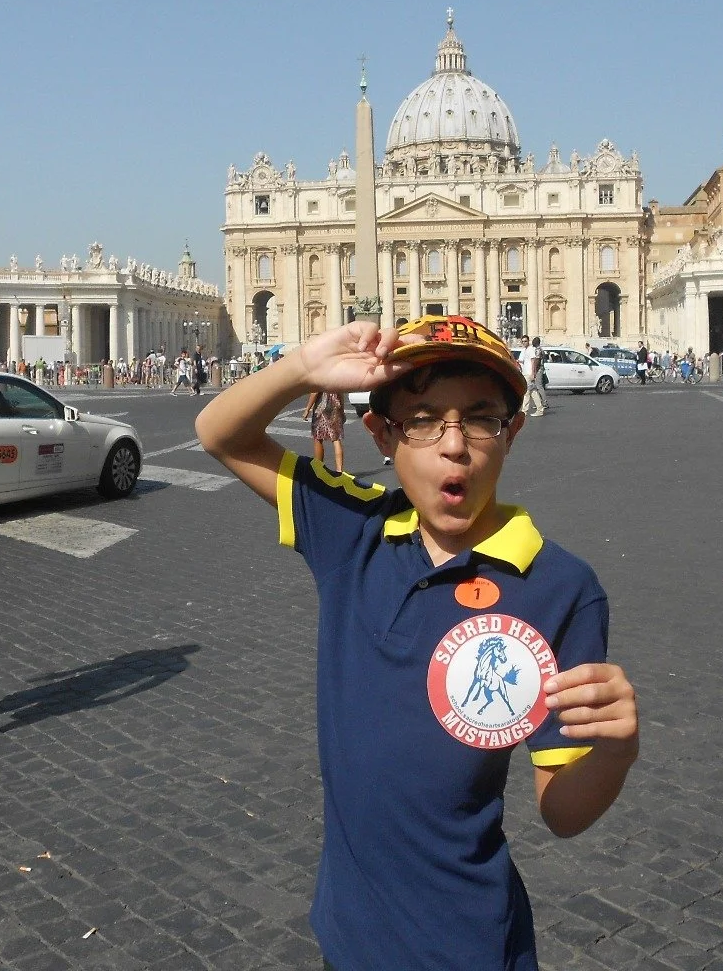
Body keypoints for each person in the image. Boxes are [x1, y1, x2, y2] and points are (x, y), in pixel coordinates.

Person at [195, 315, 638, 971]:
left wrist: (615, 752)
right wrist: (302, 366)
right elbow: (219, 434)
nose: (452, 446)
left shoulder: (560, 588)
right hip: (346, 933)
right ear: (381, 434)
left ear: (512, 432)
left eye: (480, 418)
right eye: (424, 419)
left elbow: (563, 811)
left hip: (468, 944)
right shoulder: (352, 531)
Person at [303, 388, 348, 473]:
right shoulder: (336, 376)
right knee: (336, 438)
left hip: (322, 408)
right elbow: (341, 394)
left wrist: (307, 409)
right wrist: (342, 410)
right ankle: (339, 470)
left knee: (318, 437)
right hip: (335, 406)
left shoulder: (320, 375)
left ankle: (319, 467)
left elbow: (315, 392)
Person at [520, 336, 547, 418]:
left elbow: (533, 362)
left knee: (527, 392)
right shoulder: (524, 350)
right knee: (533, 392)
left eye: (525, 341)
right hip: (525, 373)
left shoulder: (531, 349)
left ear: (528, 341)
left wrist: (533, 373)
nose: (524, 342)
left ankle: (524, 411)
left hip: (529, 374)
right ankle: (540, 409)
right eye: (523, 341)